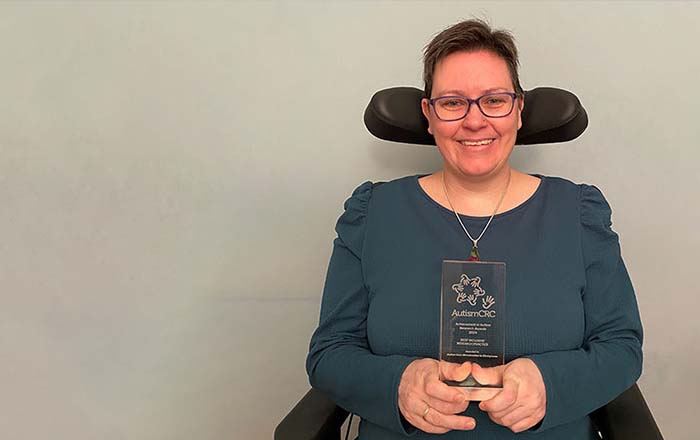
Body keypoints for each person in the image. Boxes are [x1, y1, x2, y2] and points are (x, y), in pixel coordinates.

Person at [306, 19, 642, 440]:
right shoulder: (374, 213)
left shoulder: (578, 214)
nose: (475, 121)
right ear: (429, 115)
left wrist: (549, 383)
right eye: (452, 103)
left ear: (519, 110)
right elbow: (328, 354)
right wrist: (398, 384)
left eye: (494, 100)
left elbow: (622, 348)